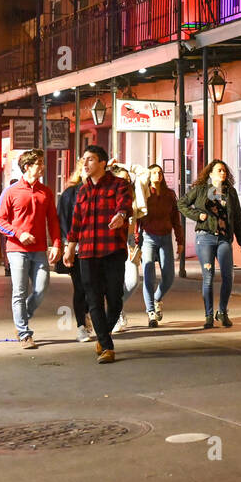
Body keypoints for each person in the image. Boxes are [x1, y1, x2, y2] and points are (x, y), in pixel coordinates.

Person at [63, 145, 133, 363]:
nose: (85, 164)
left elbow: (126, 205)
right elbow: (76, 223)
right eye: (84, 159)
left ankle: (103, 337)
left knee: (115, 299)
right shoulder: (82, 191)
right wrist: (70, 247)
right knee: (92, 299)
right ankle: (107, 346)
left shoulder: (119, 184)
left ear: (103, 163)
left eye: (90, 159)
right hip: (87, 253)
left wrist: (121, 215)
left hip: (112, 249)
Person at [0, 149, 62, 350]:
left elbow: (53, 221)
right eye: (39, 163)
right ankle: (24, 333)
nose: (42, 166)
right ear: (27, 166)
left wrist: (57, 244)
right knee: (19, 291)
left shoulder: (46, 192)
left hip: (40, 249)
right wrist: (18, 233)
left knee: (41, 288)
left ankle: (22, 316)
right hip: (17, 249)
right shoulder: (11, 191)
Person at [178, 159, 241, 329]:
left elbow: (237, 216)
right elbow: (181, 203)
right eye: (219, 170)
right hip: (205, 237)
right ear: (210, 173)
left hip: (224, 239)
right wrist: (197, 216)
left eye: (224, 170)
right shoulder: (201, 190)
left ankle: (222, 311)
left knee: (228, 277)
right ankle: (208, 315)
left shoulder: (230, 192)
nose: (222, 173)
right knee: (208, 277)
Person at [136, 163, 184, 328]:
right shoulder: (143, 193)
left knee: (169, 276)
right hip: (148, 237)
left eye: (159, 172)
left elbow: (176, 219)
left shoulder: (169, 194)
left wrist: (180, 241)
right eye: (154, 172)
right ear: (149, 176)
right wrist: (135, 239)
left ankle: (157, 299)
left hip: (165, 238)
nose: (158, 174)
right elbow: (137, 216)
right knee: (149, 275)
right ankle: (150, 312)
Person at [57, 169, 92, 343]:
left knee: (94, 288)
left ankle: (86, 314)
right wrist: (66, 245)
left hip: (98, 248)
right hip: (77, 247)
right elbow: (62, 219)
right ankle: (81, 327)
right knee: (80, 287)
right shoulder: (70, 194)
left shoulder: (104, 192)